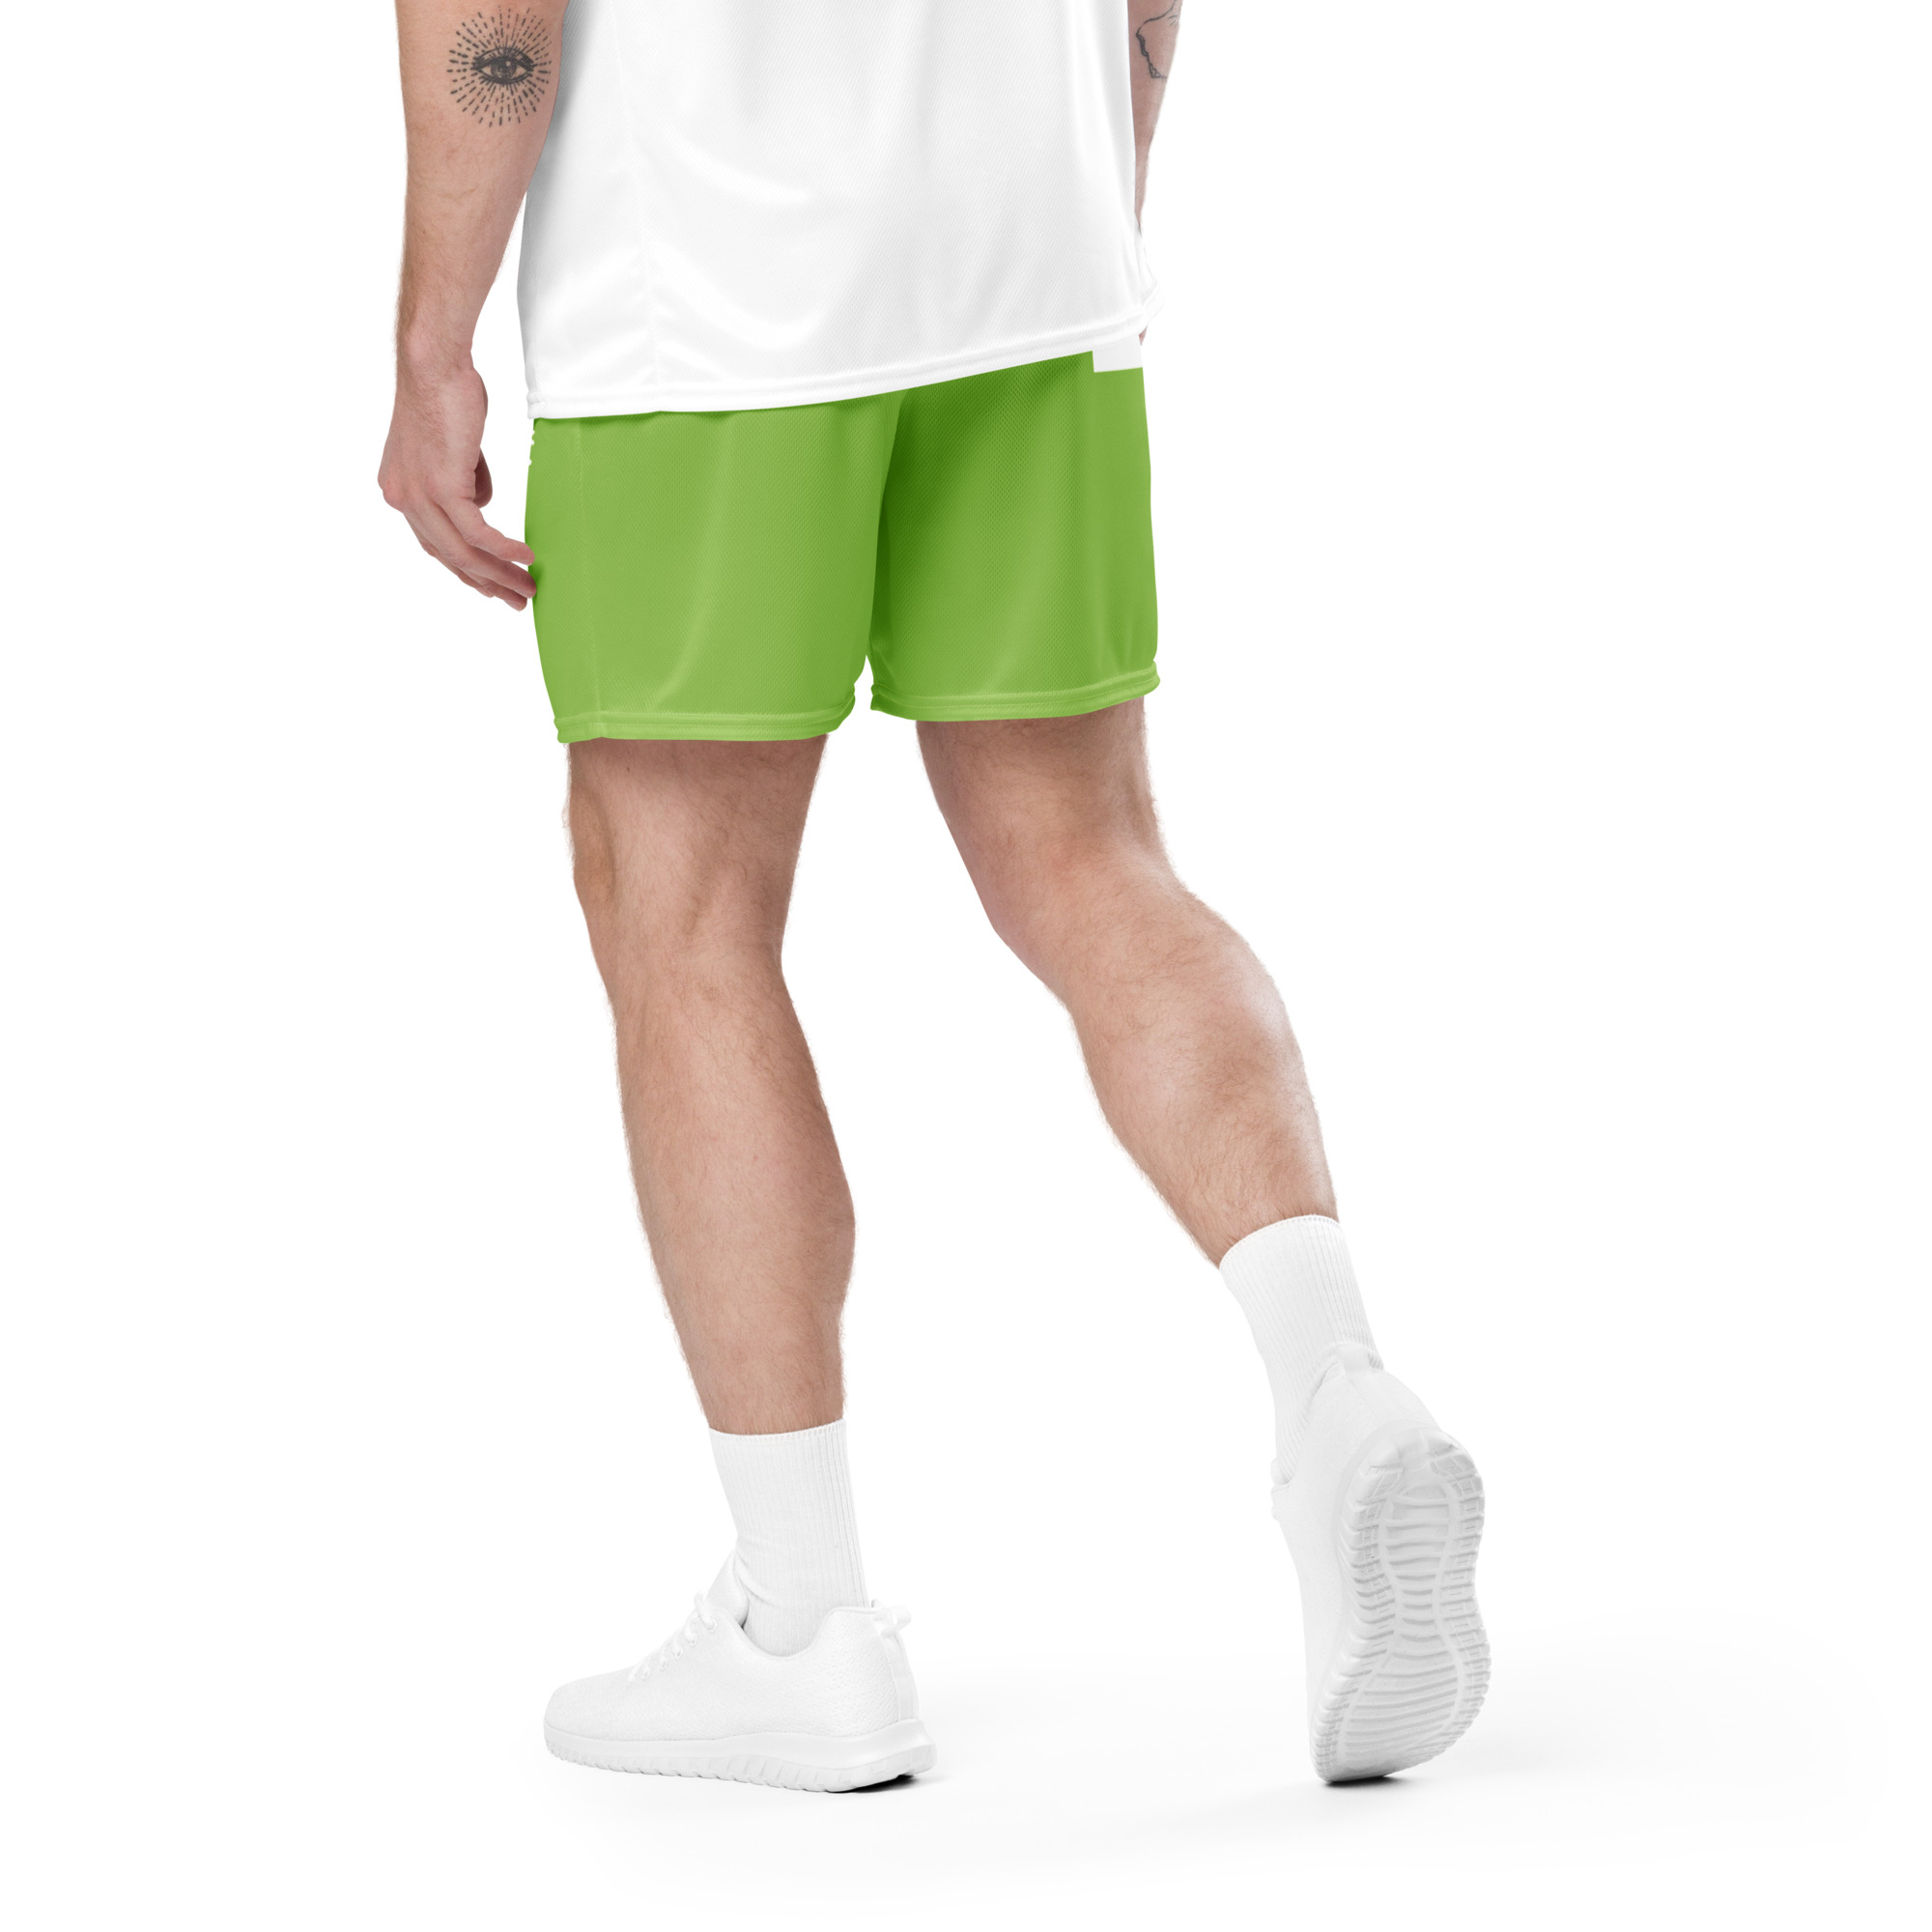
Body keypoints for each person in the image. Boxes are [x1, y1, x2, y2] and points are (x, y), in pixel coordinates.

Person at [379, 0, 1488, 1792]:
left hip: (711, 291)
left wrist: (433, 338)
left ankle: (802, 1626)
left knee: (683, 910)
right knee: (1094, 856)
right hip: (1034, 249)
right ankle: (1339, 1389)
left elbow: (493, 17)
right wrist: (1104, 182)